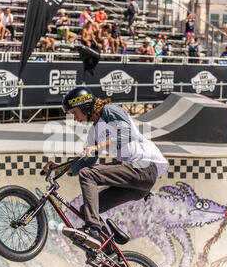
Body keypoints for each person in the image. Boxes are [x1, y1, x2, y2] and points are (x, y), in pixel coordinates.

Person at [43, 87, 169, 251]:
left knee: (88, 176)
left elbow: (126, 134)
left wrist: (98, 146)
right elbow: (85, 162)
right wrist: (59, 168)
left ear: (85, 106)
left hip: (143, 166)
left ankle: (94, 230)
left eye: (75, 113)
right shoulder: (94, 131)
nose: (74, 118)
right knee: (88, 209)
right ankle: (110, 253)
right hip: (135, 185)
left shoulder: (109, 111)